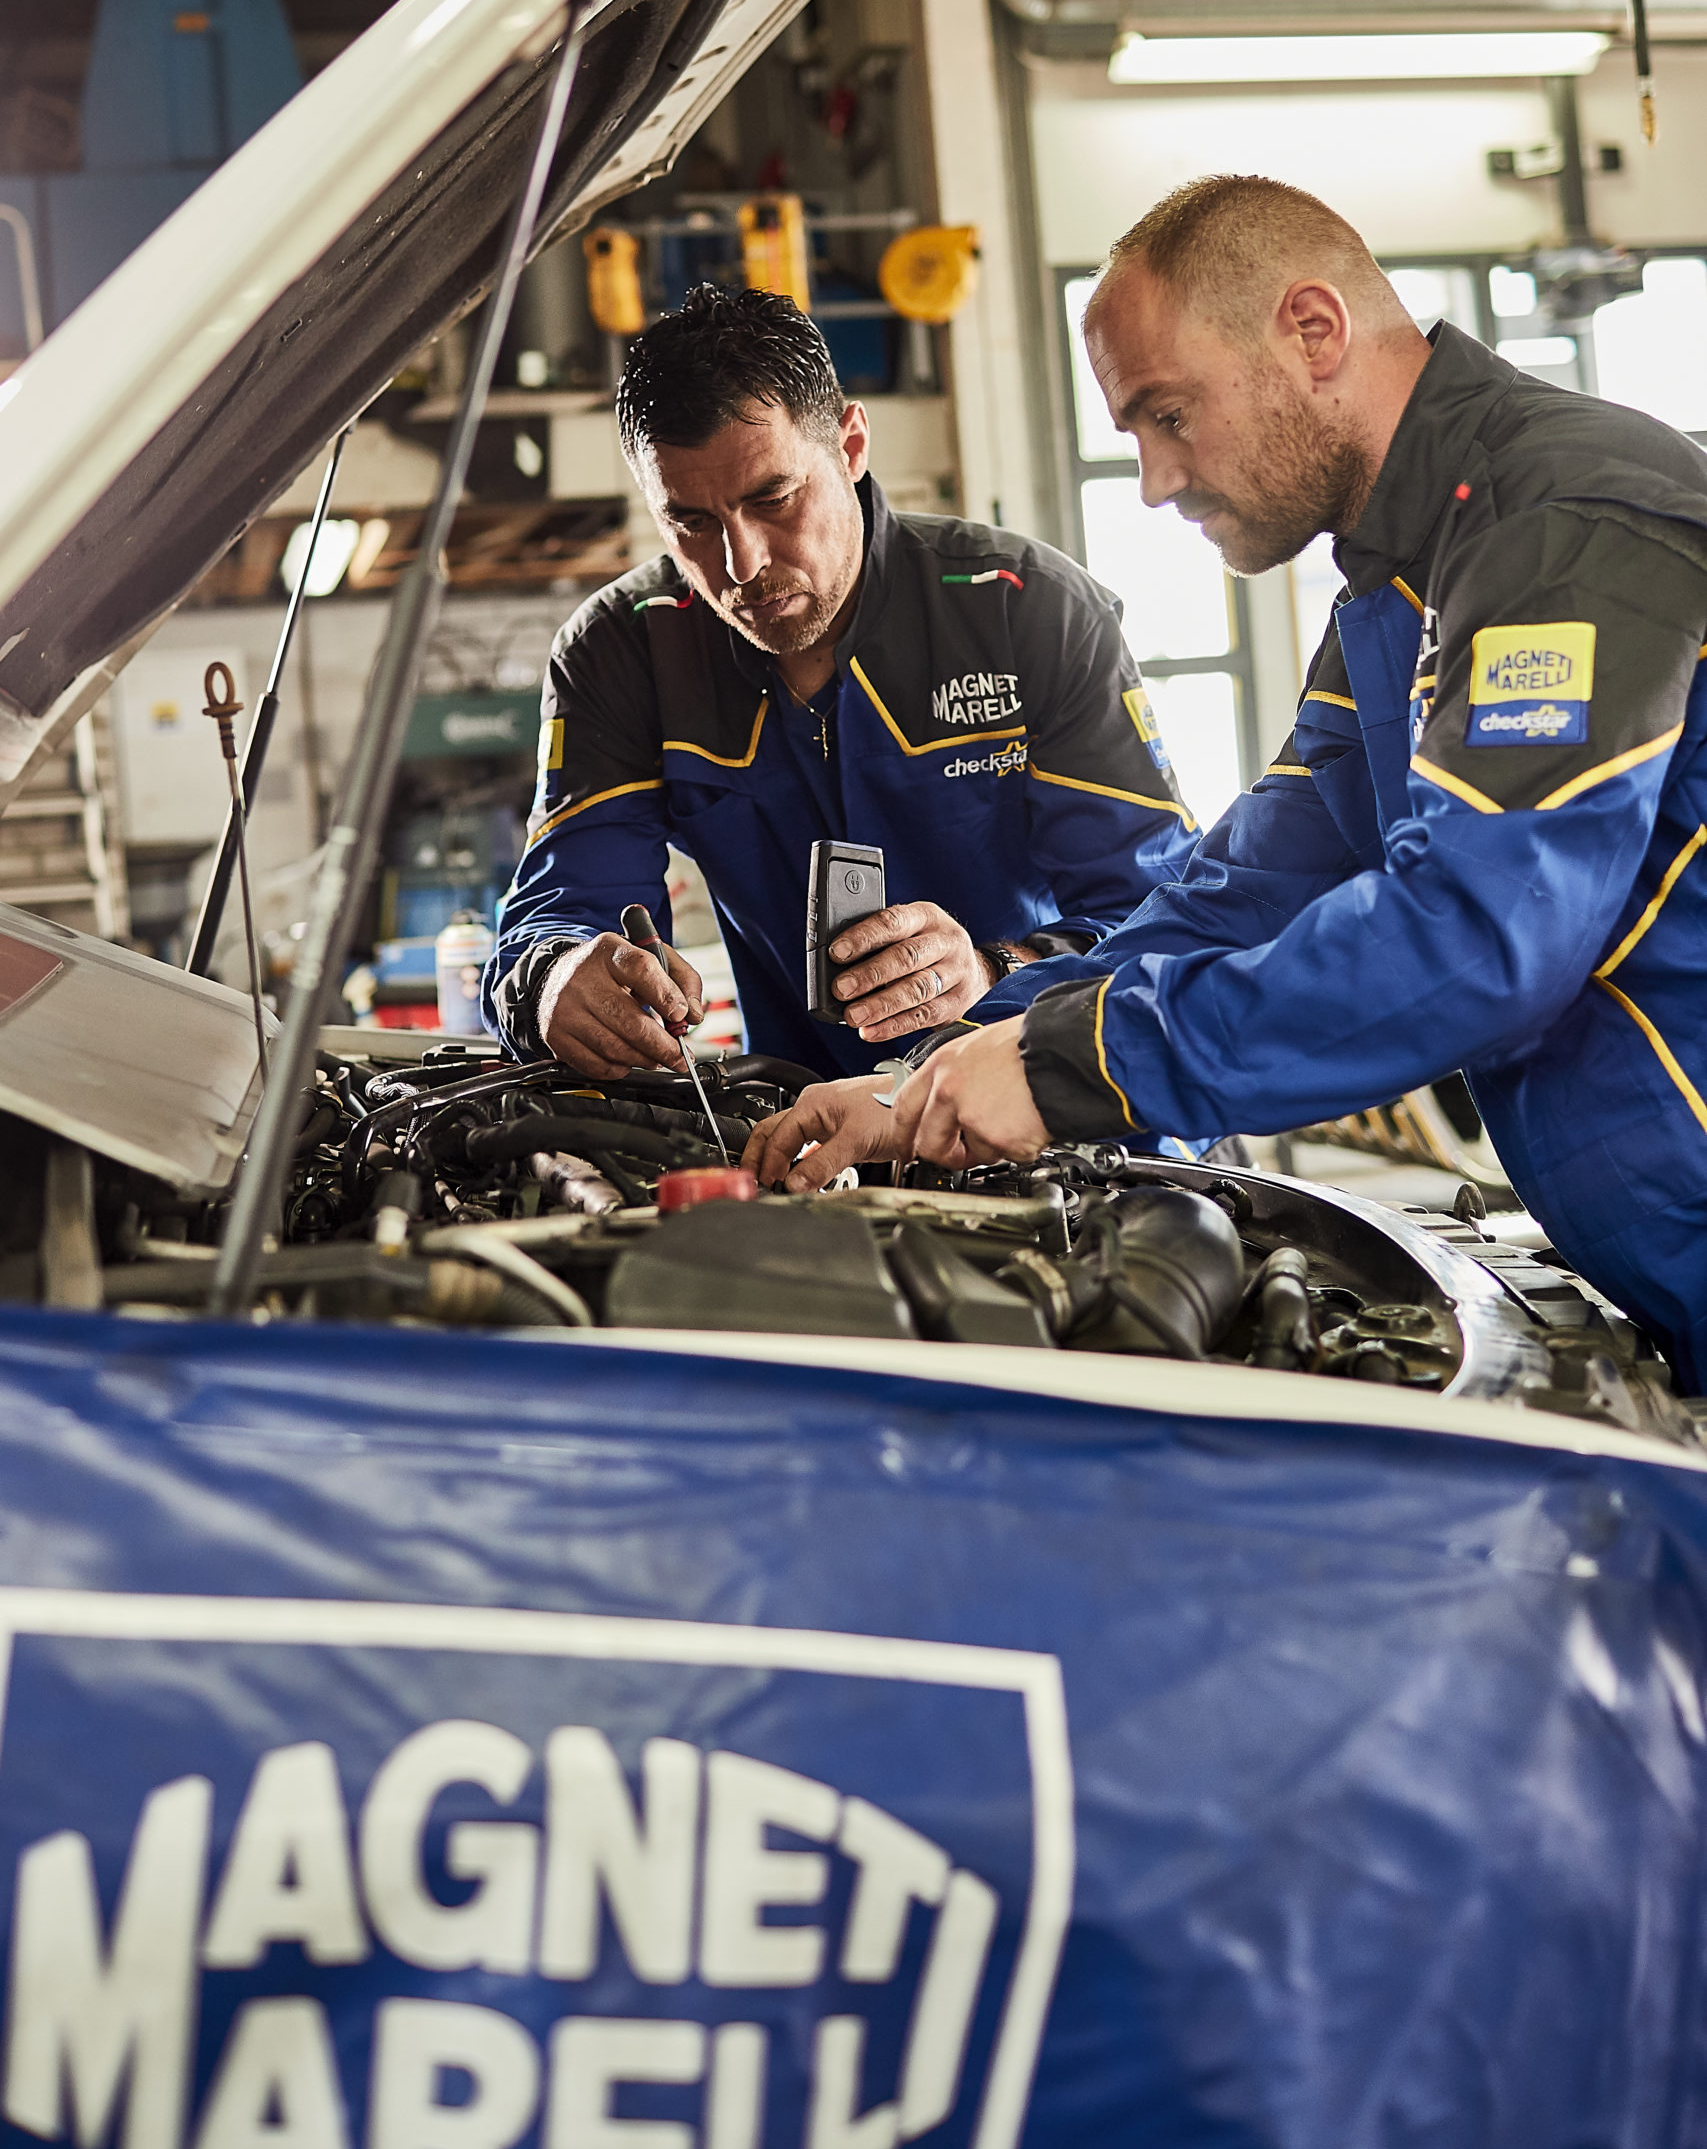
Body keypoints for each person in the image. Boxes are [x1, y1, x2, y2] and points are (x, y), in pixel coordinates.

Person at [747, 174, 1707, 1387]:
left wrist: (1070, 1070)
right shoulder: (1401, 585)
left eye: (1168, 415)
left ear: (1312, 331)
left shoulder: (1563, 522)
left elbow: (1477, 940)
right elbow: (1239, 893)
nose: (1153, 480)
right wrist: (923, 1078)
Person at [484, 283, 1196, 1080]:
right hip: (811, 1133)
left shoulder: (1028, 612)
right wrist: (550, 983)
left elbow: (1166, 917)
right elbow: (563, 908)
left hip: (1069, 1113)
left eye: (773, 498)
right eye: (690, 522)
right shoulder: (624, 648)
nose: (742, 564)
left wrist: (997, 971)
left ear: (851, 444)